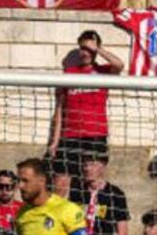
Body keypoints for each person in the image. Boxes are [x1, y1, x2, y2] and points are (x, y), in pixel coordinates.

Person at [46, 30, 123, 199]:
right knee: (60, 184)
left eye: (89, 49)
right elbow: (60, 109)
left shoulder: (103, 71)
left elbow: (119, 65)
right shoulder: (69, 73)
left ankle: (93, 221)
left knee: (93, 183)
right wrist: (54, 141)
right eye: (83, 48)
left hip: (95, 135)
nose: (85, 52)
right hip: (70, 136)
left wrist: (98, 49)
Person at [68, 154, 129, 235]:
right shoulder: (77, 192)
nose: (87, 169)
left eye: (92, 164)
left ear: (103, 166)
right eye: (85, 165)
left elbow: (122, 233)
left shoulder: (116, 194)